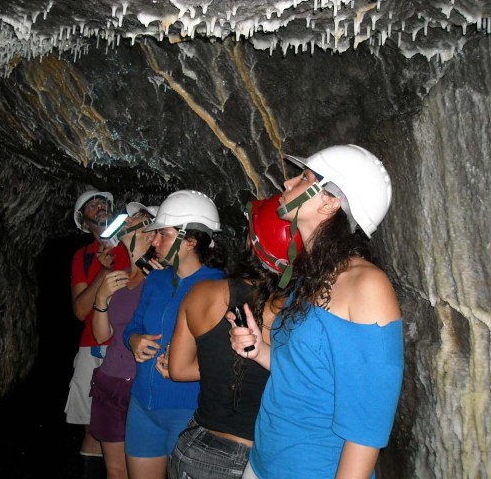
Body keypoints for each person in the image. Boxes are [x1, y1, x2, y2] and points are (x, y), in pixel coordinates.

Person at [230, 145, 404, 479]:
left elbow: (367, 425)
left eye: (304, 177)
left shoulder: (367, 286)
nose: (287, 182)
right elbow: (302, 371)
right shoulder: (311, 276)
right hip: (265, 460)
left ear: (329, 202)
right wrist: (259, 350)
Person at [167, 193, 303, 479]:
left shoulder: (202, 293)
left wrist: (222, 366)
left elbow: (178, 370)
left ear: (250, 243)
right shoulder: (301, 312)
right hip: (265, 455)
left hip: (199, 448)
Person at [123, 190, 226, 479]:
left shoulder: (220, 287)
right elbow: (133, 327)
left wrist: (186, 369)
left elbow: (232, 359)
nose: (154, 241)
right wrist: (133, 341)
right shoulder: (155, 279)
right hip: (143, 406)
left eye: (163, 234)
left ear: (190, 241)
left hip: (189, 413)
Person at [89, 202, 161, 479]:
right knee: (115, 471)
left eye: (137, 218)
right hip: (109, 381)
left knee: (141, 471)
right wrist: (101, 298)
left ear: (153, 233)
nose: (127, 220)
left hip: (139, 384)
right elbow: (101, 335)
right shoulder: (120, 277)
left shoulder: (160, 278)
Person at [67, 189, 130, 477]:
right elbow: (81, 311)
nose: (100, 207)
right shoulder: (83, 257)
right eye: (92, 206)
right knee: (93, 428)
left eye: (103, 202)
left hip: (126, 346)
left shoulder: (132, 245)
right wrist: (103, 272)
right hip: (91, 348)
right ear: (83, 221)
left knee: (129, 426)